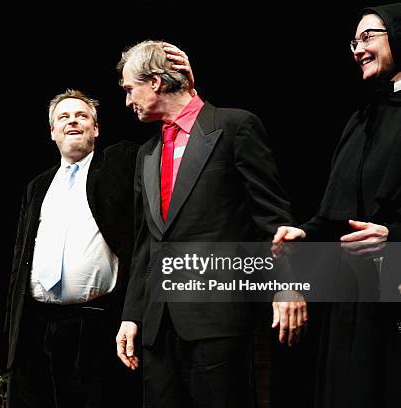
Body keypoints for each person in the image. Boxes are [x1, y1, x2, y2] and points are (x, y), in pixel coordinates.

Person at [115, 40, 306, 408]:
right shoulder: (147, 152)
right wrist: (132, 315)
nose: (127, 101)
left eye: (129, 89)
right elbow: (146, 243)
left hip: (217, 320)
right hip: (158, 326)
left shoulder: (235, 126)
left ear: (154, 82)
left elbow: (273, 218)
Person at [273, 4, 401, 407]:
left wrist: (394, 237)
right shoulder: (360, 120)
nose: (358, 49)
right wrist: (305, 232)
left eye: (368, 36)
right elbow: (335, 213)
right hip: (353, 298)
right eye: (354, 41)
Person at [5, 89, 139, 408]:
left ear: (96, 128)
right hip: (38, 324)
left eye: (82, 116)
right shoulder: (37, 186)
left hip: (95, 323)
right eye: (63, 117)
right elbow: (20, 258)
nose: (73, 121)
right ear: (52, 132)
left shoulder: (116, 165)